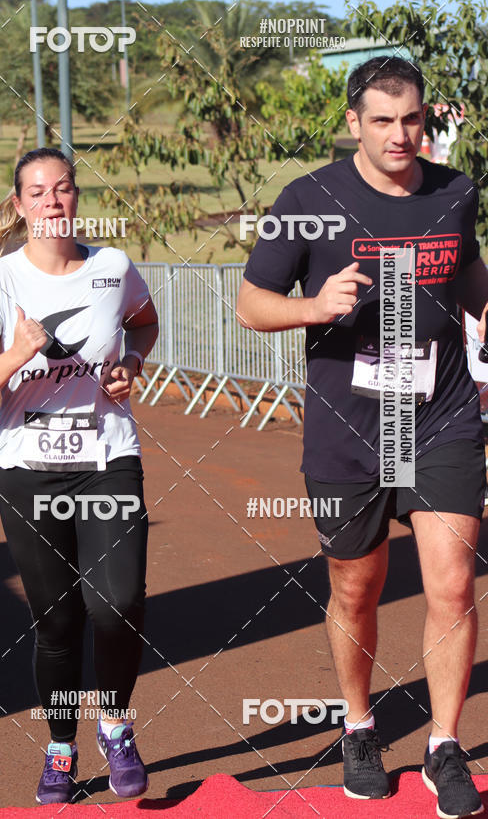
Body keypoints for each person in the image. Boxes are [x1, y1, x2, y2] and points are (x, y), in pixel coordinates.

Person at [237, 58, 486, 819]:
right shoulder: (308, 199)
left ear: (426, 119)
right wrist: (314, 307)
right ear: (354, 124)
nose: (399, 134)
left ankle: (445, 743)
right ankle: (359, 725)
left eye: (410, 119)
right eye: (381, 120)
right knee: (357, 587)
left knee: (451, 582)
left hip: (440, 416)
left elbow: (468, 272)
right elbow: (251, 304)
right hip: (349, 429)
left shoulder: (455, 191)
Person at [0, 147, 159, 804]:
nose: (51, 202)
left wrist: (133, 364)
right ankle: (62, 749)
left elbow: (146, 324)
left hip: (106, 461)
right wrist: (17, 351)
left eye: (62, 189)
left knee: (118, 605)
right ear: (19, 205)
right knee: (58, 622)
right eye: (36, 192)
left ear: (76, 198)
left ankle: (117, 725)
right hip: (28, 473)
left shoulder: (113, 268)